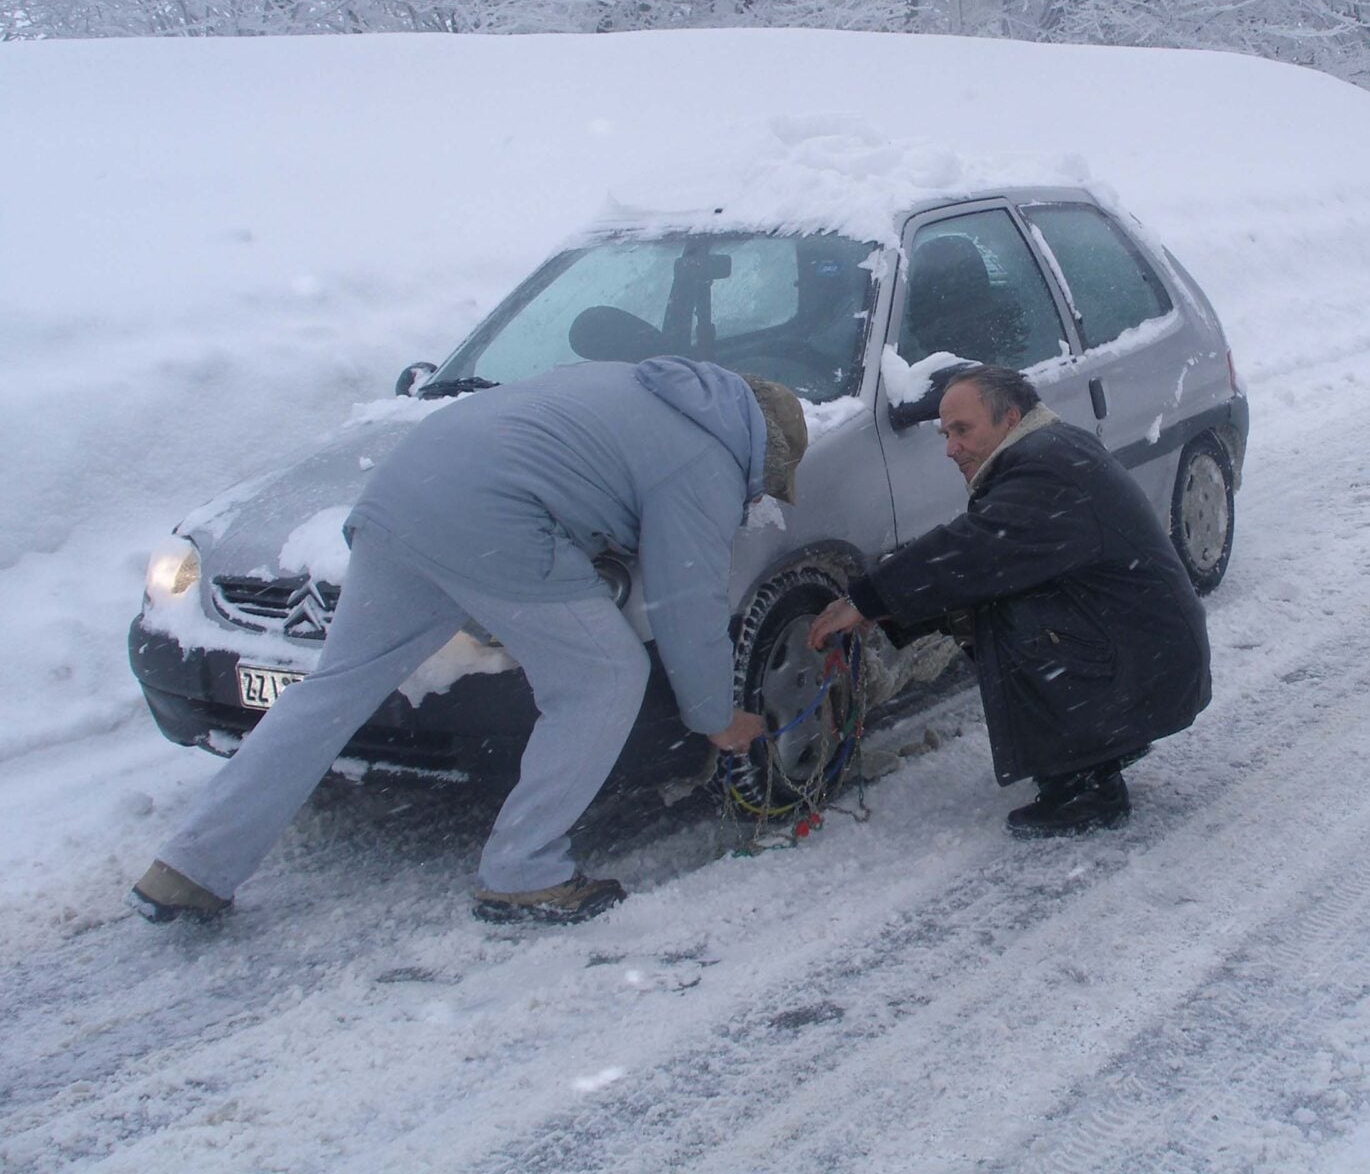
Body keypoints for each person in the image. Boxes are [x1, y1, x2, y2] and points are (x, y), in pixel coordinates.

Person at [130, 357, 808, 927]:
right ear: (766, 449)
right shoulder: (708, 461)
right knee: (604, 676)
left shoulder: (643, 389)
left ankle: (191, 867)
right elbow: (686, 603)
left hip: (402, 496)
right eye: (768, 485)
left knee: (336, 689)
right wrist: (717, 718)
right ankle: (523, 870)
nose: (756, 497)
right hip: (492, 517)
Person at [808, 364, 1210, 836]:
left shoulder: (1045, 468)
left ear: (1010, 418)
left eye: (962, 430)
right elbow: (983, 555)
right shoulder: (1048, 448)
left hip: (1146, 666)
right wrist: (885, 607)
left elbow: (972, 549)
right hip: (1147, 655)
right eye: (945, 433)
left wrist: (865, 600)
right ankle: (1101, 749)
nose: (950, 448)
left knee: (1010, 619)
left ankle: (1084, 787)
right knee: (985, 598)